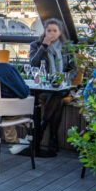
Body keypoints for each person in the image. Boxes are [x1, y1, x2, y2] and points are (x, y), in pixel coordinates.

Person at [29, 18, 73, 155]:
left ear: (60, 32)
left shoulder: (66, 48)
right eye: (49, 31)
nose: (52, 34)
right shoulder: (35, 45)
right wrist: (44, 46)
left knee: (58, 94)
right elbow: (33, 64)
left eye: (55, 31)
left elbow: (74, 69)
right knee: (57, 98)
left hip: (62, 87)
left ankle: (42, 128)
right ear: (45, 31)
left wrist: (65, 80)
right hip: (43, 88)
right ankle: (52, 138)